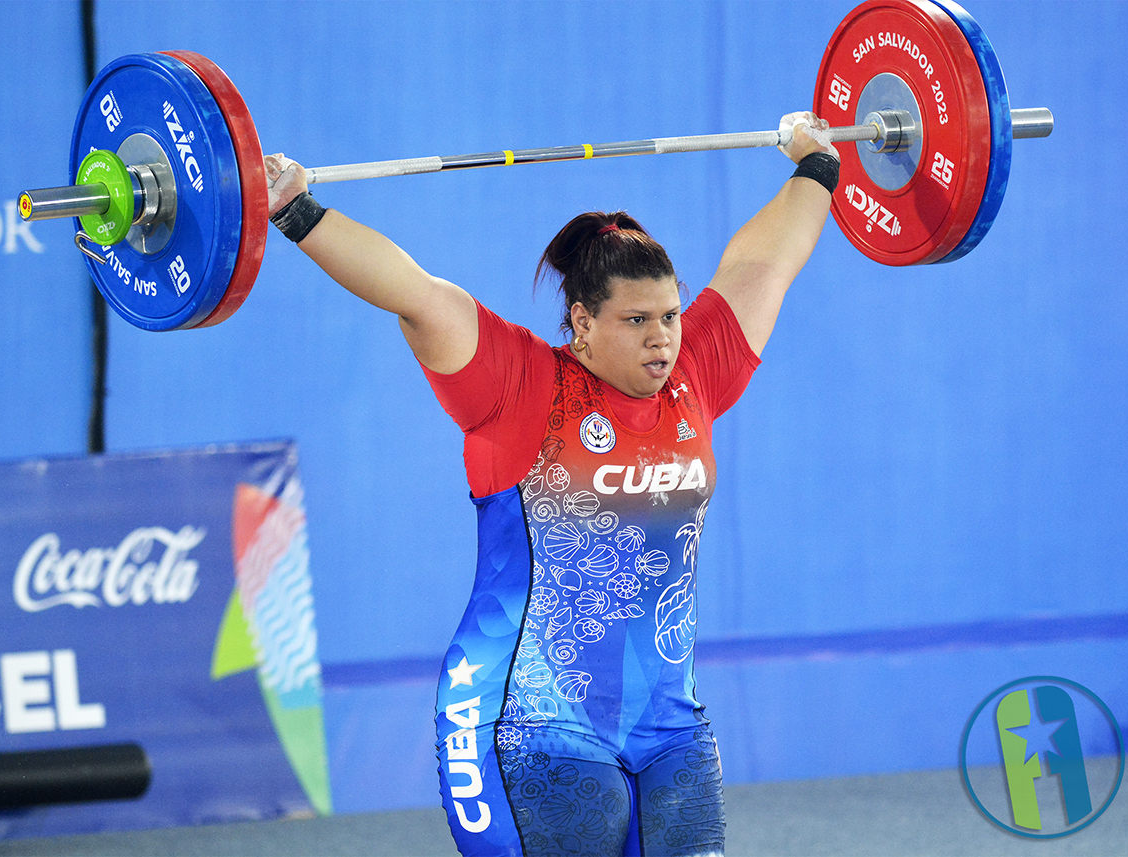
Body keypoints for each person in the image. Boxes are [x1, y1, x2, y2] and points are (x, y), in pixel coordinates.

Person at [265, 111, 839, 857]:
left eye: (670, 314)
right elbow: (415, 295)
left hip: (668, 730)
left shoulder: (693, 375)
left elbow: (764, 265)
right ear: (582, 322)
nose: (662, 336)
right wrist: (295, 210)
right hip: (528, 722)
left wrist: (817, 165)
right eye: (637, 320)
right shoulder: (520, 386)